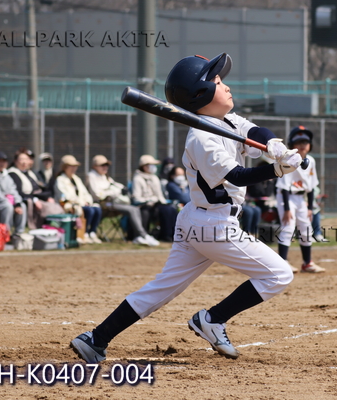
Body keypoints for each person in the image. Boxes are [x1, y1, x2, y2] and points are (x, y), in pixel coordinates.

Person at [70, 52, 301, 363]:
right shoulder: (202, 138)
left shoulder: (225, 121)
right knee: (279, 274)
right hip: (215, 227)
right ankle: (213, 319)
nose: (226, 86)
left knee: (163, 288)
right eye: (217, 82)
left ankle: (96, 338)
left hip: (197, 219)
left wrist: (275, 146)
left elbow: (253, 132)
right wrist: (276, 170)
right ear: (200, 93)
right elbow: (237, 176)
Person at [275, 126, 325, 273]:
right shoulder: (288, 160)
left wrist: (310, 208)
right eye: (299, 142)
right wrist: (287, 210)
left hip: (301, 198)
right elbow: (284, 186)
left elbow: (311, 186)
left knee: (306, 229)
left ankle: (307, 263)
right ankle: (282, 263)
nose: (303, 145)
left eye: (305, 142)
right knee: (288, 227)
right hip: (286, 197)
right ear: (292, 144)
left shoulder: (311, 161)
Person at [87, 154, 159, 247]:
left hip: (113, 203)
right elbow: (98, 195)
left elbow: (116, 185)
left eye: (106, 165)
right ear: (94, 166)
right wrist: (114, 192)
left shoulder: (105, 177)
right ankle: (142, 235)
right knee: (132, 209)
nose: (105, 167)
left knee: (135, 208)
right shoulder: (91, 176)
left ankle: (139, 236)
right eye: (102, 165)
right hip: (103, 205)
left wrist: (122, 189)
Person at [8, 148, 62, 229]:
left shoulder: (29, 172)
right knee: (51, 210)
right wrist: (34, 199)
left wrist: (47, 197)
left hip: (37, 197)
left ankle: (54, 230)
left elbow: (39, 188)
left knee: (56, 207)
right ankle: (47, 228)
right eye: (21, 159)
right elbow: (18, 192)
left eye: (26, 159)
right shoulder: (13, 173)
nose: (24, 162)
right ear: (15, 161)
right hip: (27, 199)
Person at [54, 155, 102, 245]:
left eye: (75, 166)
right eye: (71, 166)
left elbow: (85, 193)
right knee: (89, 210)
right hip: (69, 205)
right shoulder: (60, 180)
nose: (74, 168)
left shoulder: (76, 179)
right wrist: (82, 202)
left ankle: (92, 233)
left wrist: (88, 201)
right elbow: (66, 197)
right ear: (65, 167)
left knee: (97, 209)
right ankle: (84, 234)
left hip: (82, 204)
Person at [132, 154, 178, 242]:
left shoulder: (154, 177)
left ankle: (170, 235)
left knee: (170, 209)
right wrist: (149, 200)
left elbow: (159, 195)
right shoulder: (137, 178)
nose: (154, 167)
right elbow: (136, 198)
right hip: (144, 205)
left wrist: (163, 201)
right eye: (151, 165)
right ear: (144, 166)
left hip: (157, 203)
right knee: (146, 212)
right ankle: (144, 235)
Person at [0, 151, 26, 235]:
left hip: (8, 202)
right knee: (7, 206)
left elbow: (13, 191)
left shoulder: (7, 175)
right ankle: (5, 234)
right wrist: (11, 203)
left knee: (22, 206)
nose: (1, 163)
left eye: (4, 161)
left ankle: (18, 233)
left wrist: (17, 204)